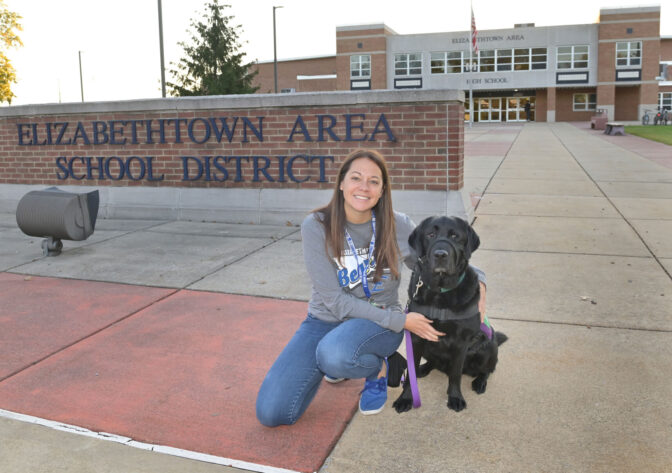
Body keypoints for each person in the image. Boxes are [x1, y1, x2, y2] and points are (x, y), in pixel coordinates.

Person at [255, 149, 486, 427]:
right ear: (341, 183)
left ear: (382, 190)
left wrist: (479, 283)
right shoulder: (317, 226)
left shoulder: (398, 225)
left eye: (374, 181)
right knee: (274, 414)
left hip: (379, 323)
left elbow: (436, 260)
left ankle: (374, 368)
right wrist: (403, 321)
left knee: (333, 356)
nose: (364, 187)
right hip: (325, 320)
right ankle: (353, 359)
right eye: (356, 178)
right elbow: (333, 300)